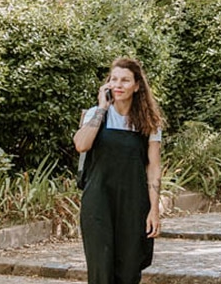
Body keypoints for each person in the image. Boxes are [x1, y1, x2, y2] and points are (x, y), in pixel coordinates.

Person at [74, 57, 164, 284]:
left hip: (133, 203)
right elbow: (81, 144)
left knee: (129, 269)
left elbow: (153, 167)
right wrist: (102, 109)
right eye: (114, 79)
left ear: (137, 86)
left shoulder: (149, 122)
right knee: (101, 269)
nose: (118, 85)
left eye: (125, 80)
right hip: (98, 201)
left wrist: (154, 209)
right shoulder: (95, 113)